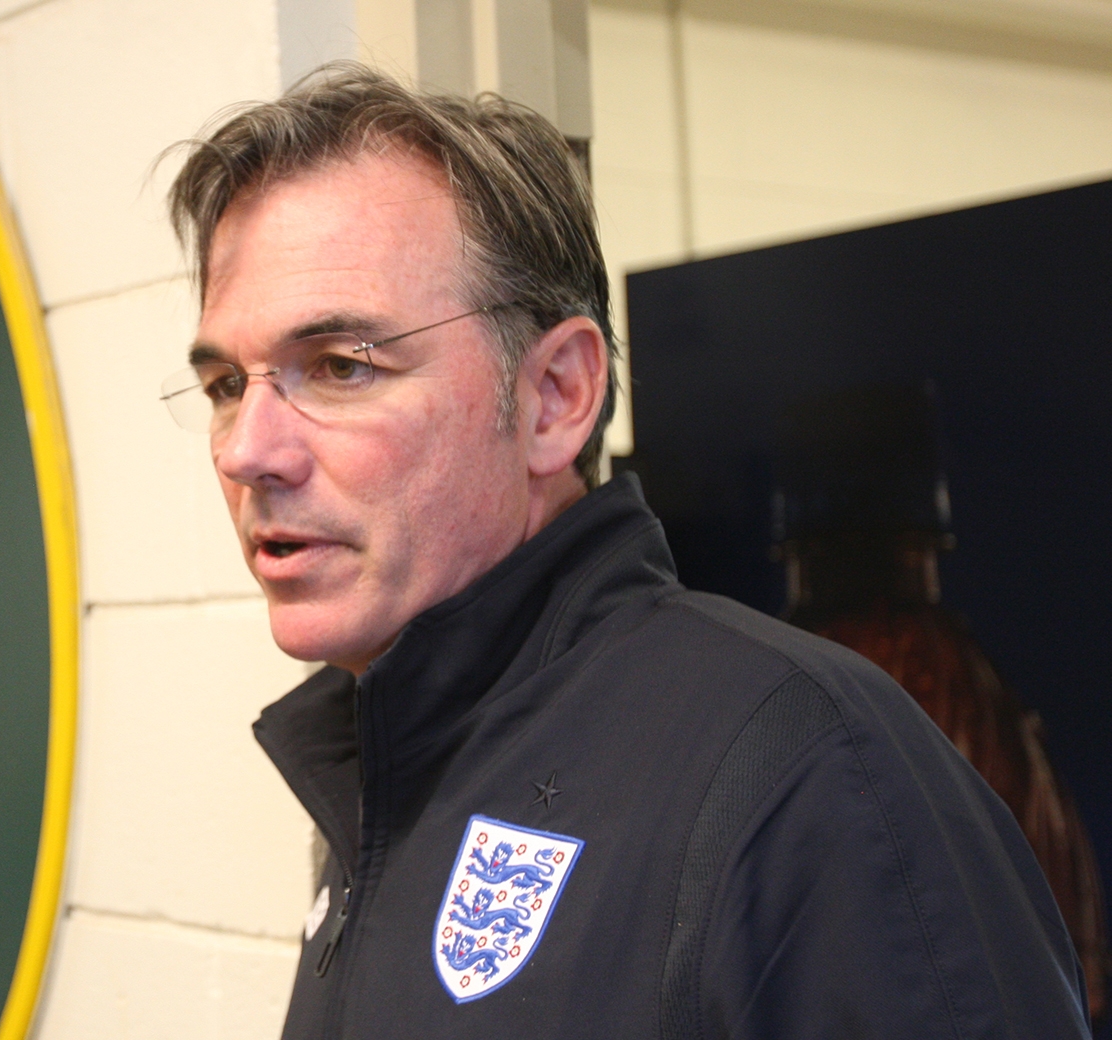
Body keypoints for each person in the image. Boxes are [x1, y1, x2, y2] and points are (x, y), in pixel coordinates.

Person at [159, 63, 1089, 1038]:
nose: (245, 449)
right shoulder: (386, 766)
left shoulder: (810, 779)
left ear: (557, 396)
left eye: (341, 366)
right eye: (225, 384)